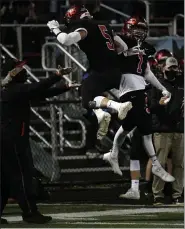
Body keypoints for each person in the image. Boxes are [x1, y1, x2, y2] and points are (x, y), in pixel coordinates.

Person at [0, 59, 77, 224]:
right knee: (22, 176)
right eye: (19, 68)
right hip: (13, 140)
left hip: (7, 140)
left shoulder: (10, 89)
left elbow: (40, 93)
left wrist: (64, 88)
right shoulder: (14, 90)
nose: (24, 70)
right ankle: (30, 213)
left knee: (5, 179)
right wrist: (57, 76)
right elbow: (37, 88)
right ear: (11, 73)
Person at [103, 16, 175, 186]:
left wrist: (162, 88)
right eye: (136, 28)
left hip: (140, 88)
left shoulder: (145, 48)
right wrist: (126, 50)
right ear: (128, 27)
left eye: (143, 29)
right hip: (128, 88)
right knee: (140, 129)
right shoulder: (121, 40)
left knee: (138, 128)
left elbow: (147, 72)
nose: (140, 32)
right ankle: (150, 164)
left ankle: (116, 154)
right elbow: (113, 47)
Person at [46, 4, 132, 141]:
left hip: (100, 71)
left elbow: (66, 40)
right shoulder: (103, 25)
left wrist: (54, 28)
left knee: (86, 100)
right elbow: (123, 47)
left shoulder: (85, 26)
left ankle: (115, 108)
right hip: (116, 71)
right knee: (94, 96)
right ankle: (105, 114)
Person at [151, 57, 184, 205]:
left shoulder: (181, 84)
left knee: (180, 164)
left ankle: (178, 194)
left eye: (175, 67)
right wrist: (159, 104)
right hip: (162, 129)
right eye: (170, 67)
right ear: (163, 68)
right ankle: (158, 194)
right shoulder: (157, 85)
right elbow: (150, 106)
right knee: (161, 163)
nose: (173, 70)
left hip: (179, 129)